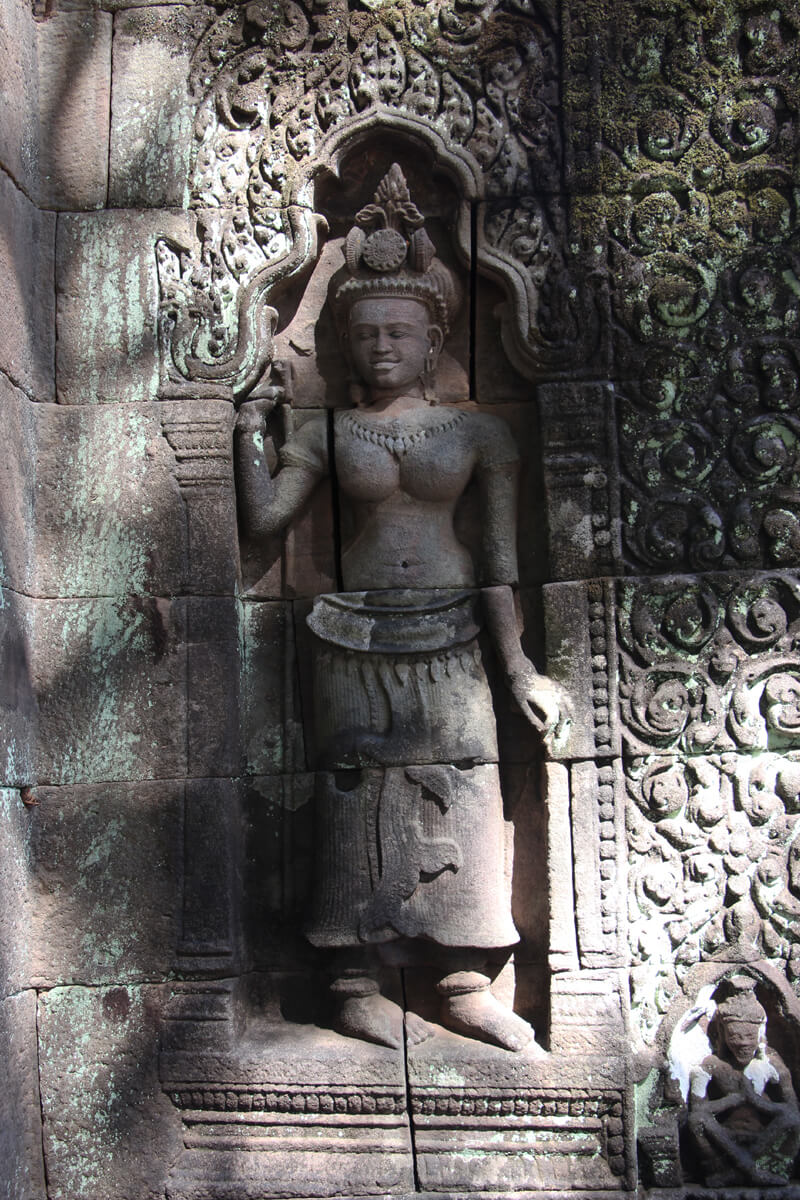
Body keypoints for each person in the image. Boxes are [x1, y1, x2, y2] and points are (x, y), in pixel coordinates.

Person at [235, 164, 568, 1052]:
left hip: (456, 628)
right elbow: (266, 519)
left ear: (433, 344)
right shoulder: (328, 431)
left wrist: (520, 665)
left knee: (464, 786)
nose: (383, 346)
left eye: (401, 332)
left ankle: (464, 978)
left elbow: (499, 566)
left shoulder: (477, 432)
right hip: (347, 634)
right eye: (367, 332)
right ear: (345, 345)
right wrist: (246, 435)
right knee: (350, 791)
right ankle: (352, 979)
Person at [687, 977, 800, 1185]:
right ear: (722, 1033)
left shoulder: (771, 1065)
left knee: (794, 1122)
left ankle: (743, 1171)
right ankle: (751, 1172)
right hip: (724, 1139)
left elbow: (792, 1110)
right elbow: (698, 1111)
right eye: (735, 1036)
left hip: (764, 1137)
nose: (743, 1043)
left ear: (760, 1033)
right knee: (696, 1122)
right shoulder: (711, 1065)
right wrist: (734, 1099)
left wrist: (758, 1103)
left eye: (749, 1035)